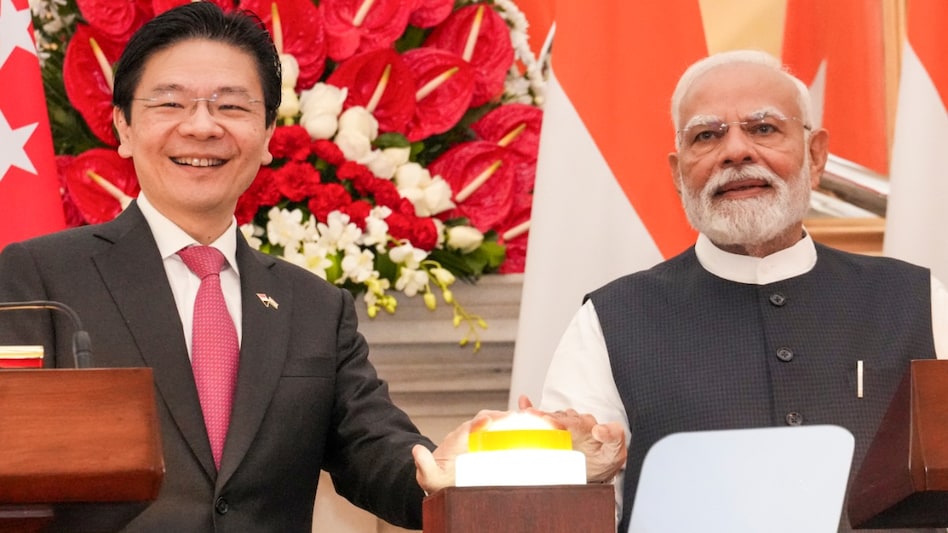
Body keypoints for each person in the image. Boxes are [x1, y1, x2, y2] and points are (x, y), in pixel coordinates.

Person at [0, 3, 483, 531]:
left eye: (231, 107)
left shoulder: (315, 306)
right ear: (123, 126)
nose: (202, 127)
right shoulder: (41, 278)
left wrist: (458, 468)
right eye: (170, 103)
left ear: (270, 132)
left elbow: (375, 452)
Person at [534, 49, 948, 533]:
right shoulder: (610, 319)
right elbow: (564, 510)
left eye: (764, 128)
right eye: (707, 136)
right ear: (677, 173)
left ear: (815, 156)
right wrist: (583, 476)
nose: (735, 151)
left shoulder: (916, 297)